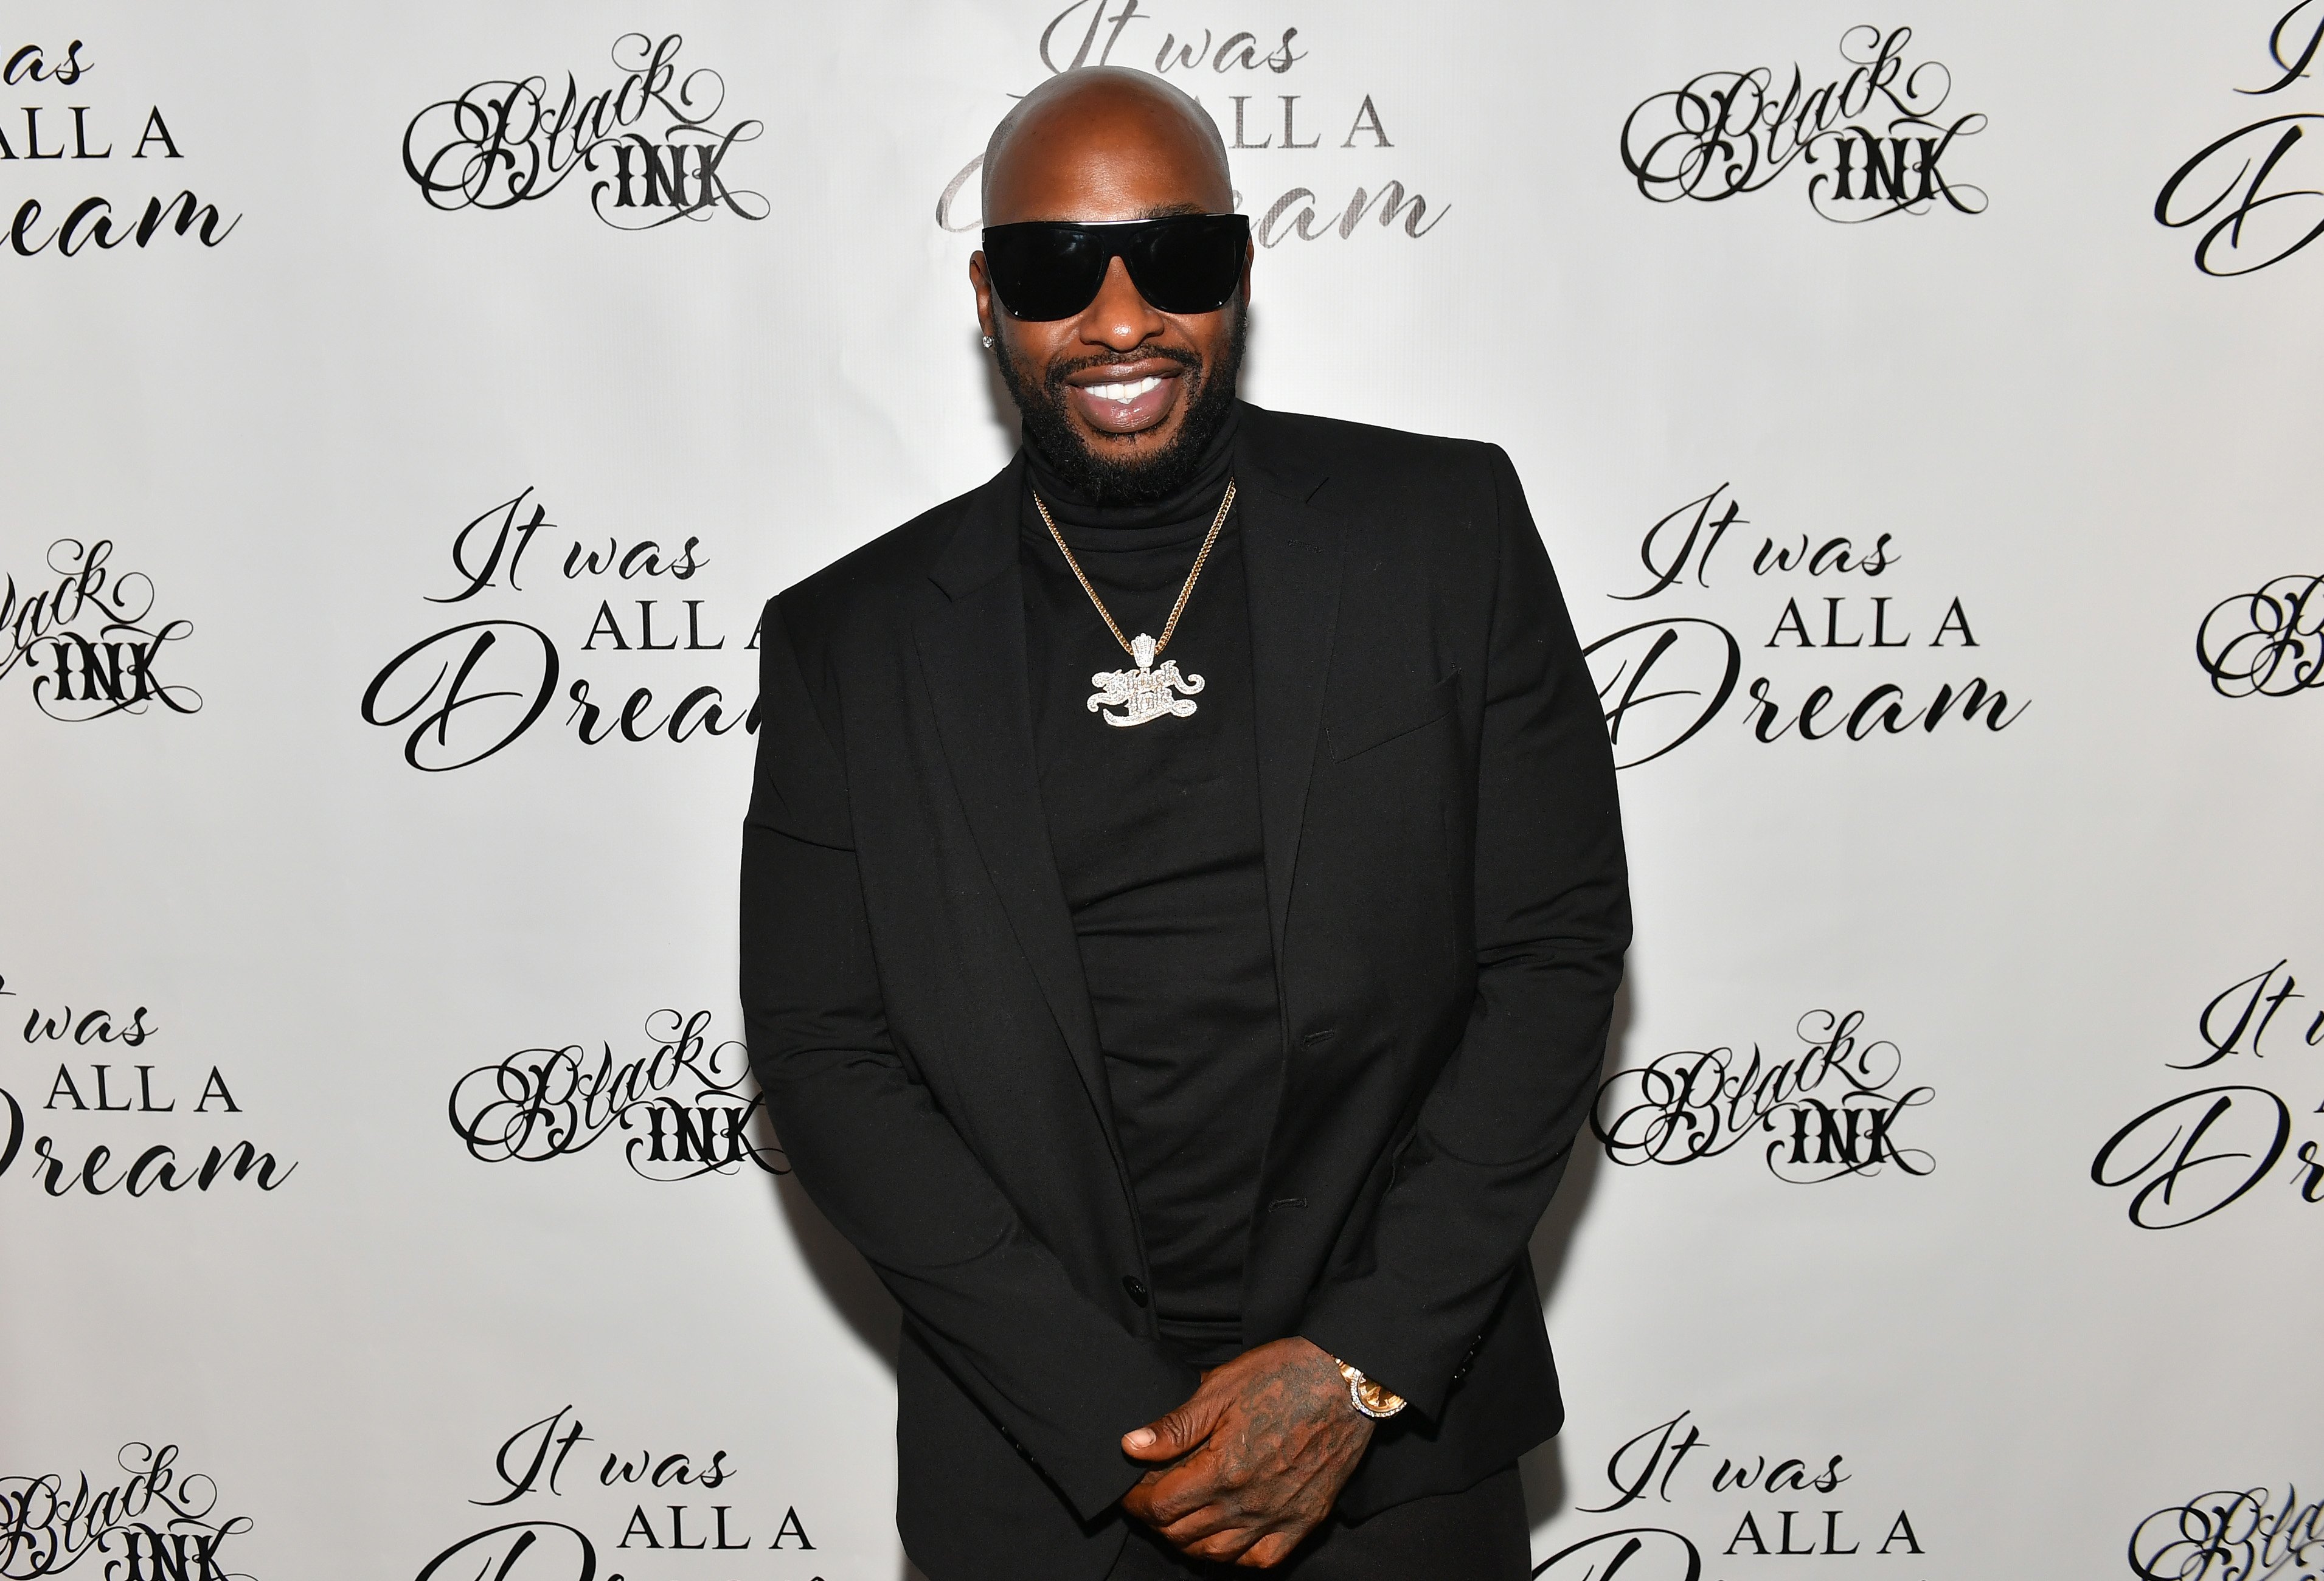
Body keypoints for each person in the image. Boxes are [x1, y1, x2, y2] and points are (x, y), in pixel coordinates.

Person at [740, 65, 1628, 1581]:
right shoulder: (853, 639)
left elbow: (1552, 952)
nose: (1121, 317)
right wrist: (1112, 1423)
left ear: (1243, 268)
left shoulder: (1444, 532)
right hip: (1045, 1480)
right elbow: (825, 1053)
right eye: (1055, 268)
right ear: (987, 297)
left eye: (1176, 256)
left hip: (1397, 1458)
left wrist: (1352, 1367)